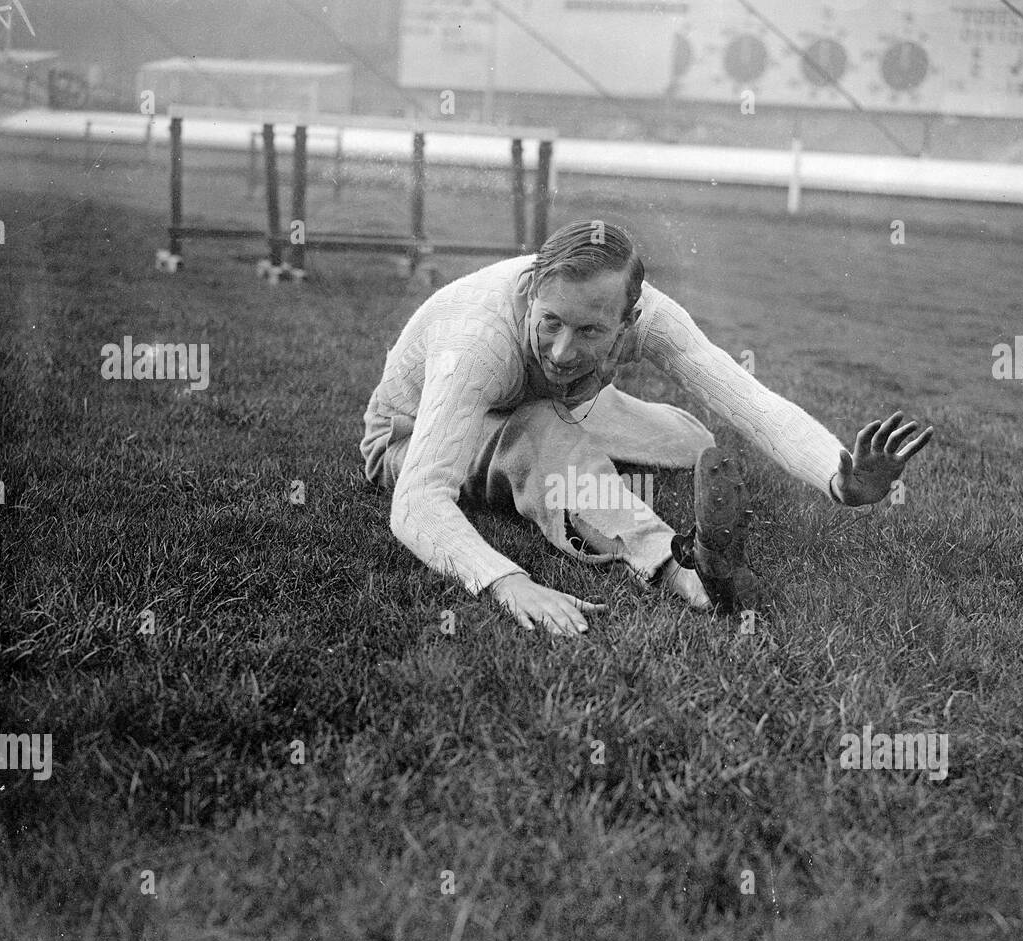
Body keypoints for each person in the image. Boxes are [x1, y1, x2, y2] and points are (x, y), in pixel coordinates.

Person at [361, 220, 932, 636]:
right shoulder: (479, 341)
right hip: (407, 438)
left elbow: (747, 399)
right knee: (545, 434)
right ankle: (683, 567)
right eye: (551, 322)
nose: (562, 349)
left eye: (589, 331)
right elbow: (415, 501)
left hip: (538, 398)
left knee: (692, 442)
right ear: (533, 291)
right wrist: (505, 581)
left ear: (628, 321)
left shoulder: (651, 317)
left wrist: (841, 480)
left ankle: (580, 440)